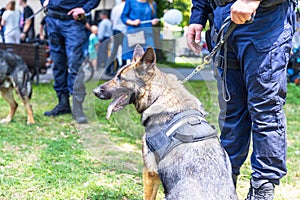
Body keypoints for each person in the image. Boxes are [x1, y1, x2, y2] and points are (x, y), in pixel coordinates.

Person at [186, 0, 296, 199]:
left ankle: (262, 188)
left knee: (265, 109)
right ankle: (224, 185)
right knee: (231, 113)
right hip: (223, 23)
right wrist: (198, 17)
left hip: (264, 21)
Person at [40, 0, 100, 124]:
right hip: (52, 19)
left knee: (75, 65)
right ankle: (63, 104)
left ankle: (77, 108)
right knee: (57, 64)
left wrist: (85, 8)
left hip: (73, 22)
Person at [105, 0, 127, 75]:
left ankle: (107, 69)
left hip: (116, 30)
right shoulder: (127, 6)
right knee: (125, 51)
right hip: (124, 30)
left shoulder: (115, 8)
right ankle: (124, 69)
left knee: (114, 51)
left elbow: (112, 20)